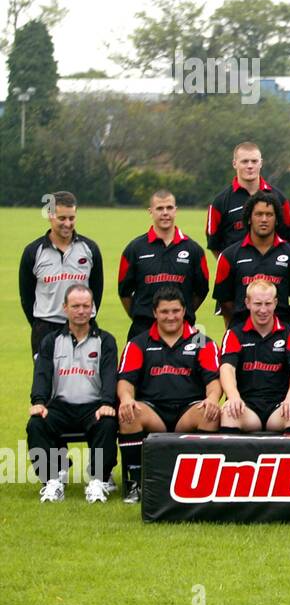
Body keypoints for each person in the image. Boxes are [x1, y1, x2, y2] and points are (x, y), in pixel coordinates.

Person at [116, 287, 222, 503]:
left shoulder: (202, 341)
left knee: (210, 413)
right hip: (153, 411)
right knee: (129, 413)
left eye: (175, 310)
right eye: (164, 311)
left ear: (184, 311)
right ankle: (136, 483)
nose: (171, 316)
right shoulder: (139, 342)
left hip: (188, 410)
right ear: (154, 312)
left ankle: (201, 482)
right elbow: (125, 380)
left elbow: (214, 380)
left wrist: (212, 399)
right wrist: (126, 399)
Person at [28, 284, 118, 503]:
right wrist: (39, 401)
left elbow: (109, 375)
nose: (81, 311)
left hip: (93, 406)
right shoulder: (51, 341)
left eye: (86, 306)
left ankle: (99, 479)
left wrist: (107, 402)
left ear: (93, 308)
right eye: (75, 306)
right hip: (60, 406)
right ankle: (52, 480)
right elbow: (42, 374)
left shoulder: (105, 340)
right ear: (65, 308)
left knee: (107, 422)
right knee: (36, 423)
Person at [217, 279, 290, 433]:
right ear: (247, 303)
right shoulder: (234, 334)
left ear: (275, 303)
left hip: (279, 406)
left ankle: (286, 458)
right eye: (257, 304)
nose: (263, 310)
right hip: (246, 406)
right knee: (229, 413)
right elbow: (227, 369)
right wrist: (233, 396)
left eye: (268, 304)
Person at [20, 191, 104, 357]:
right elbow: (27, 297)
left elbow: (96, 290)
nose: (67, 223)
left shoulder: (90, 249)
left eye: (71, 218)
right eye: (62, 218)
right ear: (50, 215)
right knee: (46, 382)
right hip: (46, 329)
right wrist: (40, 323)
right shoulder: (33, 252)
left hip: (83, 326)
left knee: (83, 380)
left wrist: (83, 316)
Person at [118, 190, 210, 340]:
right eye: (160, 209)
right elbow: (124, 292)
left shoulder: (193, 250)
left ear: (176, 210)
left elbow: (201, 291)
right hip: (143, 330)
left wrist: (178, 315)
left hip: (183, 330)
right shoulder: (134, 249)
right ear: (150, 212)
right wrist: (141, 314)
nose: (165, 213)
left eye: (169, 208)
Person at [212, 190, 290, 328]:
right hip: (242, 335)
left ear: (277, 219)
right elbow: (224, 300)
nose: (264, 219)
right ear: (249, 218)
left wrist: (283, 326)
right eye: (258, 214)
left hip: (280, 335)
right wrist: (240, 326)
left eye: (269, 215)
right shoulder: (229, 256)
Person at [205, 141, 290, 256]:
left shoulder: (279, 198)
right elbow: (214, 244)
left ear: (261, 163)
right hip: (236, 272)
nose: (250, 166)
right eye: (245, 161)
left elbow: (287, 239)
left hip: (271, 272)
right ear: (234, 163)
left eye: (254, 161)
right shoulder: (220, 202)